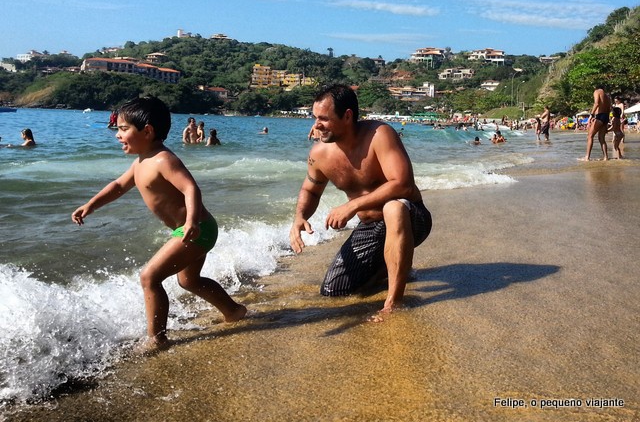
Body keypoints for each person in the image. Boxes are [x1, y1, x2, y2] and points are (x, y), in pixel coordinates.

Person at [71, 96, 246, 352]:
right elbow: (118, 186)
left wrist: (190, 222)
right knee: (189, 281)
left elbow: (190, 189)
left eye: (123, 129)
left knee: (149, 277)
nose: (117, 135)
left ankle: (157, 339)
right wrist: (91, 205)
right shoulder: (141, 161)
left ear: (147, 131)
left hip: (196, 228)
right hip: (190, 229)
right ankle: (234, 311)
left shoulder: (163, 160)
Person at [289, 84, 432, 316]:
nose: (316, 125)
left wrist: (352, 205)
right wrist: (299, 217)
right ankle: (388, 268)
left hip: (412, 217)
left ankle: (393, 302)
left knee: (393, 207)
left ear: (347, 116)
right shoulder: (319, 154)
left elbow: (402, 184)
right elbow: (311, 190)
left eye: (323, 118)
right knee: (334, 290)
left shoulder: (379, 135)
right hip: (371, 226)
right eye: (315, 118)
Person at [582, 85, 611, 161]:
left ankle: (587, 157)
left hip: (600, 116)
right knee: (602, 138)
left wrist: (591, 115)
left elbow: (596, 103)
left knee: (590, 136)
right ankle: (606, 157)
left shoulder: (597, 91)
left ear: (595, 87)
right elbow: (609, 109)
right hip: (606, 116)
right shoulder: (607, 97)